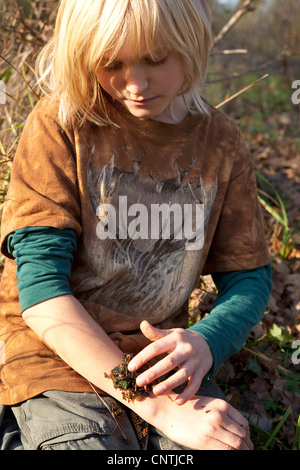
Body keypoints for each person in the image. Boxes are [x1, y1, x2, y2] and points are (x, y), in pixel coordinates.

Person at [0, 0, 272, 451]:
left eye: (155, 59)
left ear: (190, 41)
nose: (135, 84)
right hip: (55, 359)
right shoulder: (62, 124)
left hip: (156, 362)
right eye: (111, 63)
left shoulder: (221, 142)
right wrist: (159, 409)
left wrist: (207, 341)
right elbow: (42, 294)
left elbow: (249, 275)